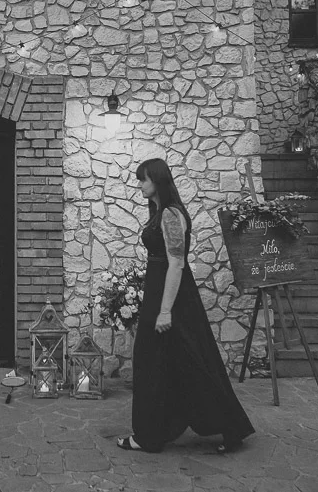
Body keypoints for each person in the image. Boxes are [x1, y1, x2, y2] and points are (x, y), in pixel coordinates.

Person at [117, 158, 255, 454]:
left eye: (143, 179)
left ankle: (153, 435)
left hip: (172, 299)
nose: (139, 185)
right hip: (160, 293)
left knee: (179, 361)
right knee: (168, 363)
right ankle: (153, 433)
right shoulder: (161, 212)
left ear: (157, 180)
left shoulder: (170, 214)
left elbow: (176, 263)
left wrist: (165, 311)